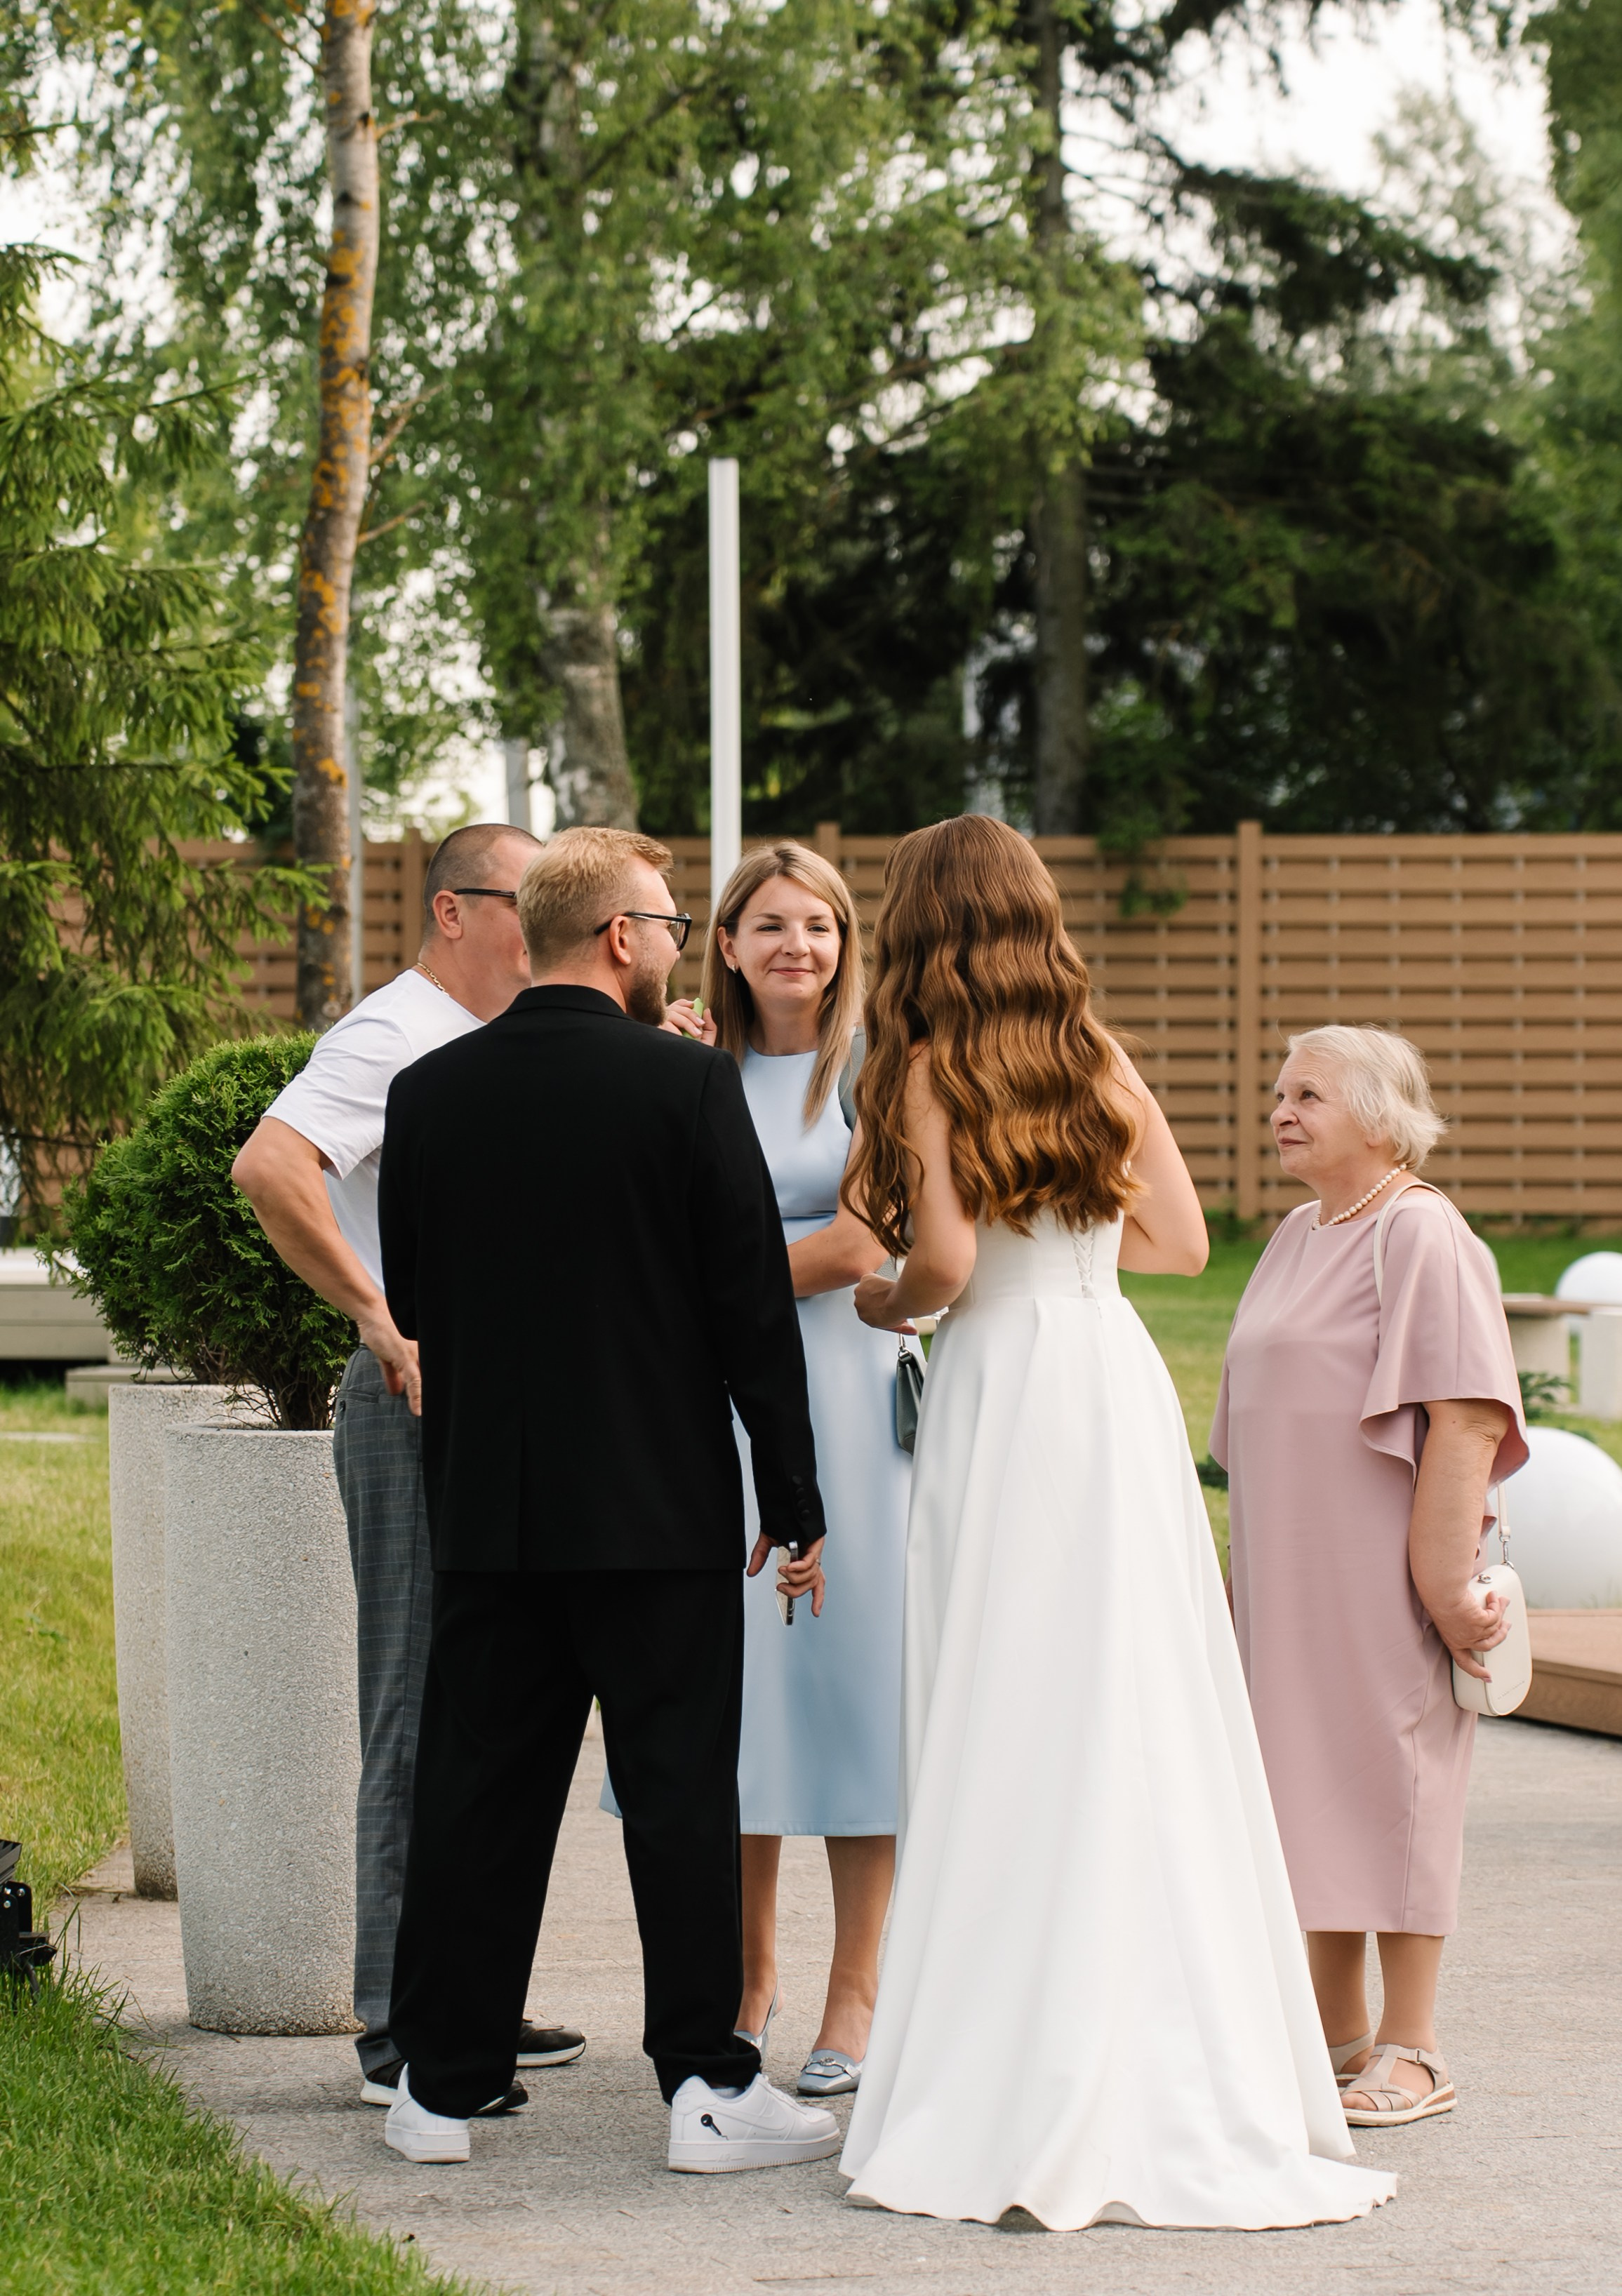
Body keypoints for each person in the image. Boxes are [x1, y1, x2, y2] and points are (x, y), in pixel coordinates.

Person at [836, 816, 1395, 2230]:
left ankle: (1006, 2066)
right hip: (1107, 1386)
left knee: (1003, 1708)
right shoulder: (1092, 1054)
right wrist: (1067, 1238)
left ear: (916, 923)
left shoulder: (922, 1066)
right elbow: (1181, 1245)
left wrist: (881, 1297)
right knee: (1133, 1707)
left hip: (1004, 1394)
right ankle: (1173, 2054)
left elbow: (948, 1262)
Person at [374, 825, 844, 2177]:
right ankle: (704, 2085)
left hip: (493, 1511)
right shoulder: (687, 1090)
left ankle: (440, 2088)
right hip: (656, 1513)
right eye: (674, 927)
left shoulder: (432, 1093)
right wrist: (793, 1494)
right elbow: (751, 1306)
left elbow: (417, 1297)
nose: (679, 949)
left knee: (476, 1794)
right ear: (623, 941)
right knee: (683, 1793)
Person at [231, 821, 585, 2106]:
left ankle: (467, 1997)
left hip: (509, 1417)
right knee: (420, 1705)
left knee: (498, 1707)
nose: (544, 921)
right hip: (415, 1409)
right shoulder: (390, 1036)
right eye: (524, 898)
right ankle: (394, 2028)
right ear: (451, 911)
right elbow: (271, 1165)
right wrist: (376, 1315)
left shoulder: (495, 1044)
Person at [1212, 1024, 1526, 2128]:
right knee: (1308, 1785)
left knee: (1398, 1790)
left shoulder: (1419, 1231)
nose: (1283, 1111)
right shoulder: (1300, 1231)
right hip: (1292, 1571)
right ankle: (1335, 2031)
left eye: (1311, 1096)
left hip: (1385, 1574)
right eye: (1279, 1092)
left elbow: (1469, 1412)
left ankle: (1415, 2046)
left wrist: (1446, 1586)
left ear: (1385, 1117)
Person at [657, 841, 910, 2099]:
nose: (795, 946)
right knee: (739, 1693)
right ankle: (744, 1981)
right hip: (715, 1409)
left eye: (817, 925)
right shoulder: (687, 1064)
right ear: (730, 940)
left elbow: (868, 1237)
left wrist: (712, 1298)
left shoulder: (872, 1067)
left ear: (844, 941)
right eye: (769, 925)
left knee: (852, 1683)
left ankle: (854, 1992)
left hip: (847, 1403)